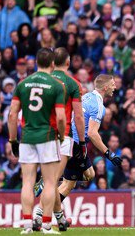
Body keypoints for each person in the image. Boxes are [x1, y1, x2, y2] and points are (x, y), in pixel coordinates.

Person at [8, 48, 66, 234]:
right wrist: (62, 135)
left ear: (36, 63)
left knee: (27, 182)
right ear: (52, 64)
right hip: (48, 137)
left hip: (26, 137)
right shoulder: (57, 85)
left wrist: (13, 140)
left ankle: (26, 224)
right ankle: (47, 225)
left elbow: (12, 114)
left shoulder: (23, 84)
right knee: (50, 182)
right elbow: (61, 117)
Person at [33, 48, 87, 231]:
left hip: (40, 134)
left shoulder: (40, 81)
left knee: (52, 180)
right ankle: (39, 215)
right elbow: (78, 117)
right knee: (53, 180)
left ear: (53, 62)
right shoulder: (73, 84)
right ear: (68, 62)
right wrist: (82, 142)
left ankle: (60, 218)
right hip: (62, 136)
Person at [57, 75, 121, 213]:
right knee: (68, 185)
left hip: (69, 139)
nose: (115, 87)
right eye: (113, 84)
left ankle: (56, 177)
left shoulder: (86, 96)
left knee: (90, 174)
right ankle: (41, 213)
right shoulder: (98, 106)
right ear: (105, 87)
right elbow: (92, 133)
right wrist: (108, 154)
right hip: (76, 144)